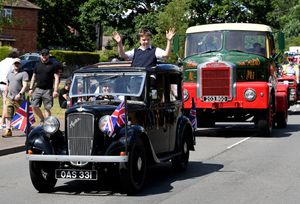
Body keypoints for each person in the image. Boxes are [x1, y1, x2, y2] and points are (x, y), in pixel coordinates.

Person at [28, 49, 60, 124]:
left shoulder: (53, 65)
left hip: (48, 90)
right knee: (34, 106)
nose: (44, 56)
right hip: (37, 89)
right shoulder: (37, 64)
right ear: (40, 56)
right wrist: (30, 88)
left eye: (46, 55)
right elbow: (33, 76)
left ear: (49, 55)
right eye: (43, 55)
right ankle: (42, 119)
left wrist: (55, 90)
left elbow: (57, 78)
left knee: (47, 108)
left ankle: (48, 124)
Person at [2, 58, 29, 137]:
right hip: (9, 98)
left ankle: (26, 129)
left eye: (18, 64)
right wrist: (5, 95)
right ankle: (8, 130)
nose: (16, 65)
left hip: (19, 98)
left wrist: (20, 94)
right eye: (15, 64)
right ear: (13, 65)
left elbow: (25, 85)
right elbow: (7, 85)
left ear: (20, 65)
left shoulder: (24, 73)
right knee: (8, 114)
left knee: (22, 115)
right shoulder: (9, 74)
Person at [0, 50, 19, 129]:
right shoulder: (13, 62)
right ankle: (2, 122)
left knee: (4, 102)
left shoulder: (2, 62)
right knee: (6, 103)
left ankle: (2, 121)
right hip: (6, 84)